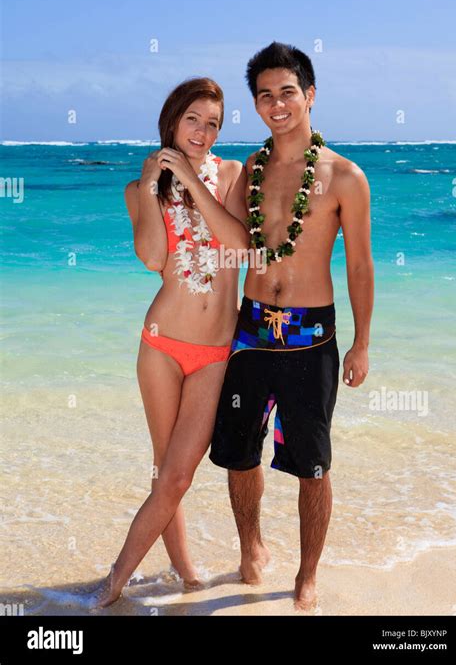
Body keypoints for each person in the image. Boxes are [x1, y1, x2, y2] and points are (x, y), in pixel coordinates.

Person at [209, 42, 374, 611]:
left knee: (312, 462)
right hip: (251, 330)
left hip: (313, 337)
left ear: (309, 95)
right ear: (254, 104)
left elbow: (359, 265)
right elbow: (224, 243)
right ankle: (250, 547)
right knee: (237, 451)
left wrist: (362, 344)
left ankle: (307, 575)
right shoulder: (251, 169)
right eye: (264, 95)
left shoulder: (345, 177)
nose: (276, 104)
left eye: (287, 92)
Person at [95, 77, 249, 607]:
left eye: (213, 123)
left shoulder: (232, 174)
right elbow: (154, 258)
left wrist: (191, 178)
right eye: (193, 120)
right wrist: (153, 184)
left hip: (213, 353)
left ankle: (117, 581)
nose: (203, 131)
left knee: (180, 473)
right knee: (168, 471)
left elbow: (238, 244)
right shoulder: (139, 187)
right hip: (160, 345)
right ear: (172, 121)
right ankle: (161, 576)